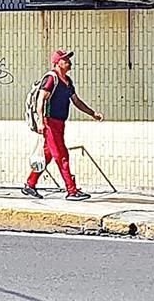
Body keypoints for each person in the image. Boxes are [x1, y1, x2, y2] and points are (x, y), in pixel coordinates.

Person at [22, 50, 103, 202]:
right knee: (62, 155)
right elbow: (40, 101)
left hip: (60, 123)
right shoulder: (51, 79)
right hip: (49, 122)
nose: (69, 62)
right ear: (57, 62)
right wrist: (40, 122)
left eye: (68, 59)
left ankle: (30, 184)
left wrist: (93, 113)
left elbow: (76, 101)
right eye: (65, 60)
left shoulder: (67, 81)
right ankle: (71, 190)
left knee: (48, 155)